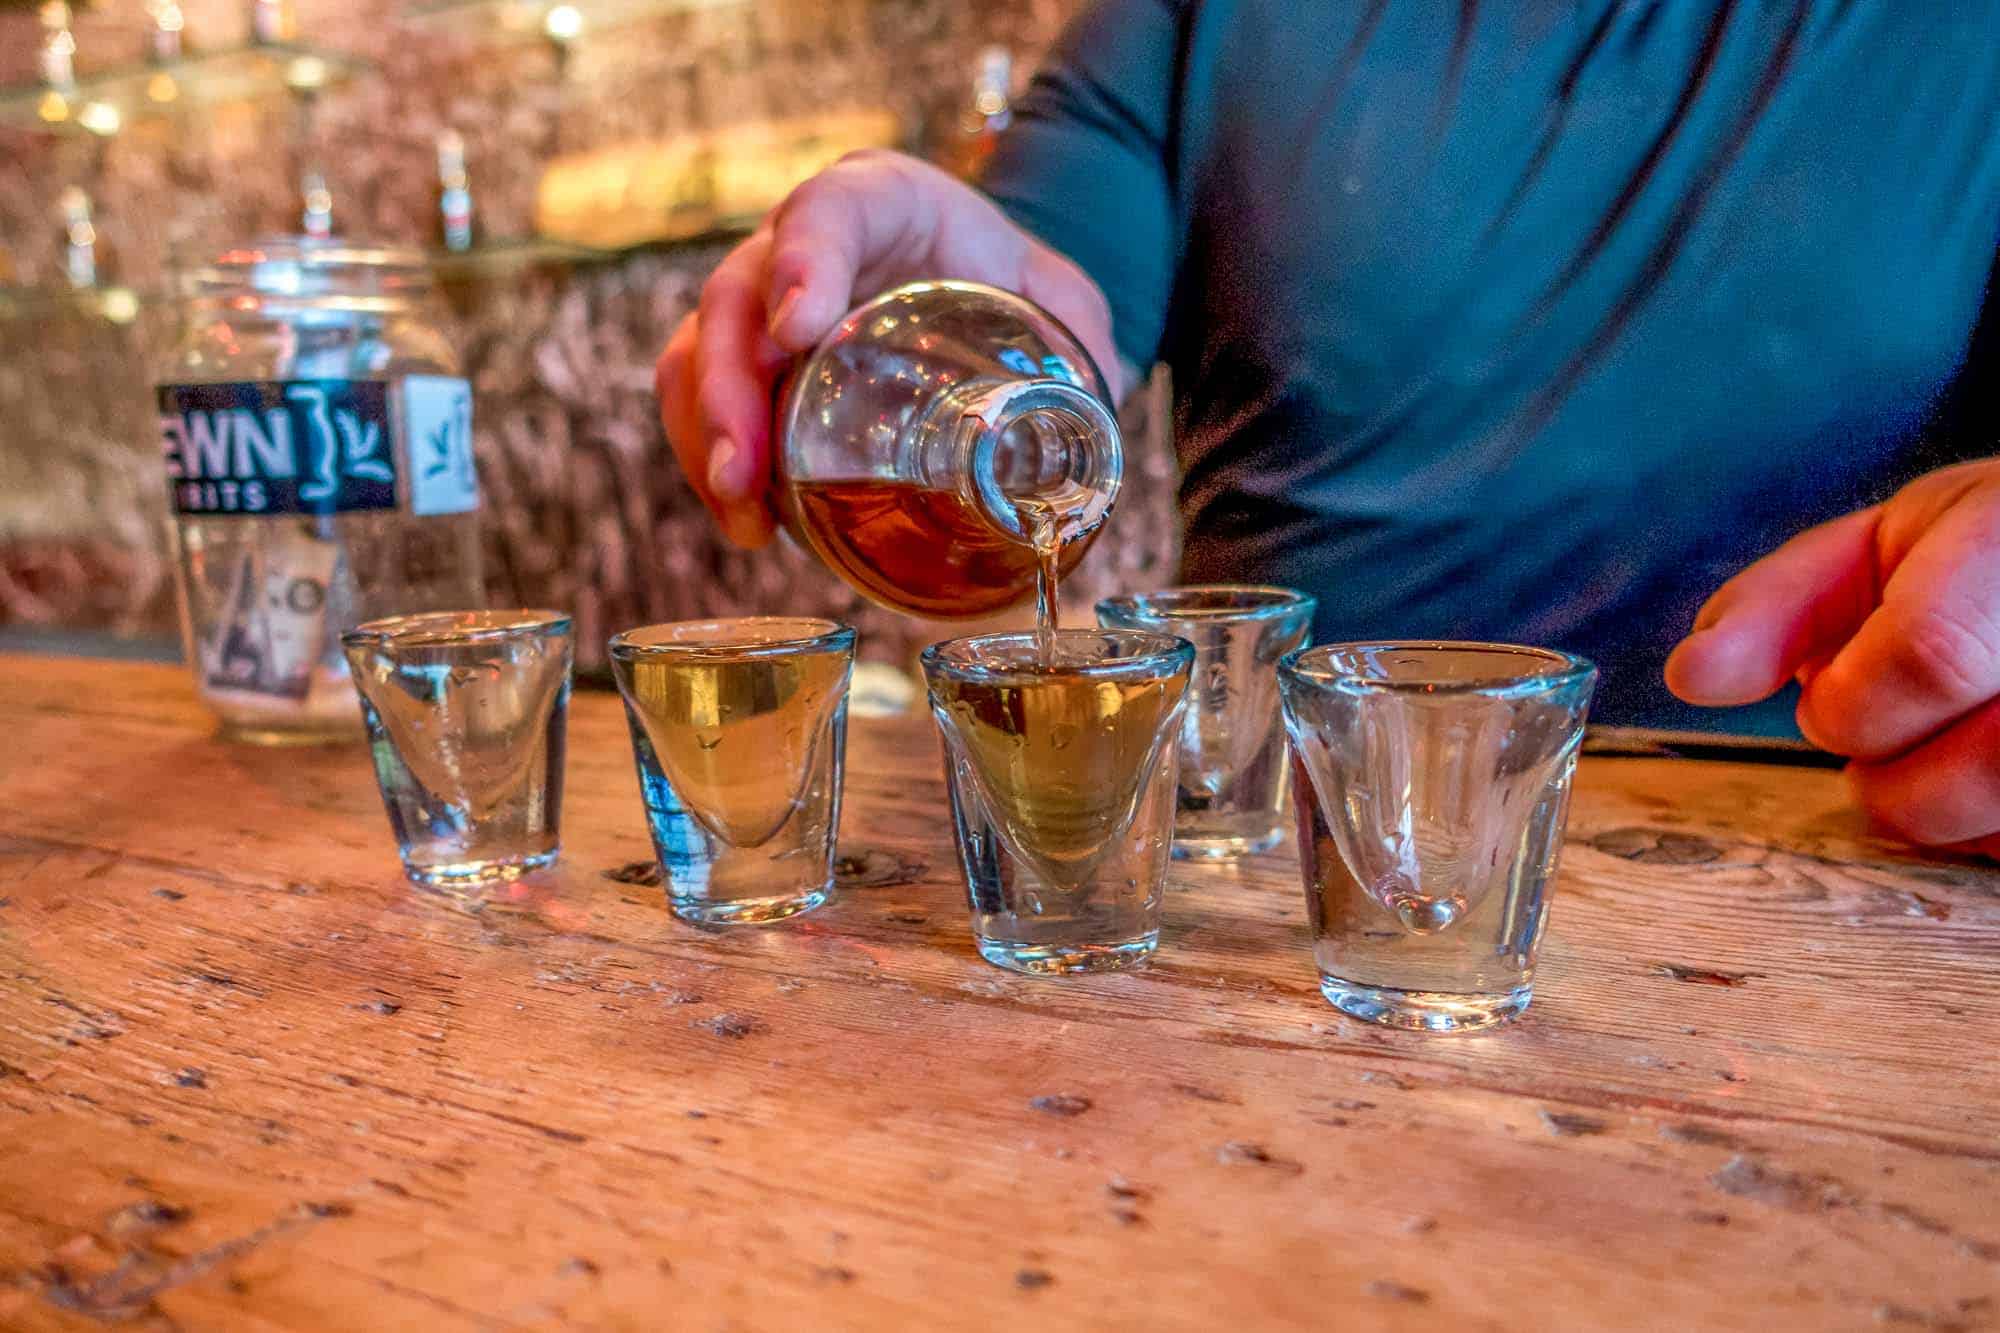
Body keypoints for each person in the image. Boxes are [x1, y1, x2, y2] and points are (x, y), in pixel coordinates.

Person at [657, 1, 2000, 856]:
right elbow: (1029, 323)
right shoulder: (1195, 19)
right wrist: (881, 336)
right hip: (1281, 888)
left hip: (1835, 859)